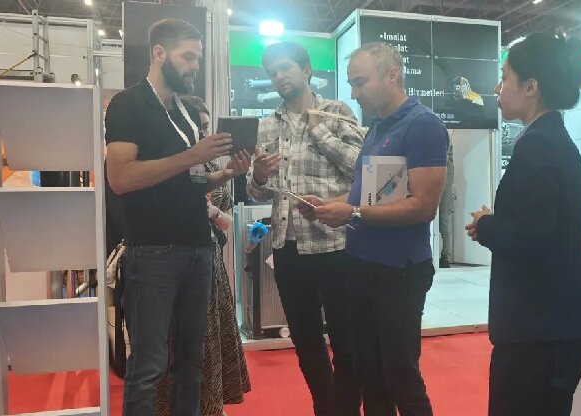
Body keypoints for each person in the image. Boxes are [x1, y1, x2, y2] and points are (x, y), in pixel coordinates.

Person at [104, 19, 251, 415]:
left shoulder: (185, 111)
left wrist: (227, 173)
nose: (194, 67)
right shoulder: (127, 104)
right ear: (159, 53)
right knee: (149, 365)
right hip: (153, 251)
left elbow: (192, 180)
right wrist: (192, 155)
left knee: (191, 361)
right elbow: (120, 178)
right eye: (188, 57)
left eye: (198, 59)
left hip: (198, 249)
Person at [298, 42, 448, 416]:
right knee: (369, 375)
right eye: (352, 83)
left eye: (360, 82)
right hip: (362, 265)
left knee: (401, 376)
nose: (354, 93)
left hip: (399, 271)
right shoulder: (378, 126)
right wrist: (330, 205)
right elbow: (373, 196)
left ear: (392, 75)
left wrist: (351, 212)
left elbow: (423, 206)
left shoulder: (423, 125)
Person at [465, 32, 581, 416]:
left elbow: (533, 238)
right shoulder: (548, 137)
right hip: (551, 323)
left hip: (542, 327)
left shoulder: (539, 144)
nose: (497, 88)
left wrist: (487, 225)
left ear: (530, 87)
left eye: (504, 77)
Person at [247, 41, 364, 416]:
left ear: (307, 70)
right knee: (306, 340)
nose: (279, 76)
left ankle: (346, 409)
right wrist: (258, 175)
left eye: (285, 68)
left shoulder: (337, 112)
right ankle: (325, 408)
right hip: (288, 248)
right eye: (273, 72)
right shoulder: (266, 125)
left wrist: (321, 134)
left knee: (347, 341)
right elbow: (256, 191)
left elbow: (363, 167)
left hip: (336, 244)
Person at [153, 95, 251, 416]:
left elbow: (225, 218)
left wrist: (212, 210)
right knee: (180, 344)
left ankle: (211, 406)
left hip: (211, 262)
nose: (204, 132)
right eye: (199, 125)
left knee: (210, 343)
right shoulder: (171, 160)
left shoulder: (211, 165)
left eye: (207, 126)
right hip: (176, 263)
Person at [438, 143, 454, 268]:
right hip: (441, 199)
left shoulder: (447, 164)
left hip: (443, 200)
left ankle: (445, 257)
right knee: (443, 228)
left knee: (444, 228)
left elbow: (445, 184)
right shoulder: (443, 163)